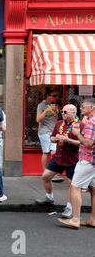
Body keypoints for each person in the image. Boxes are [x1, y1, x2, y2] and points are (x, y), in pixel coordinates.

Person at [35, 104, 85, 219]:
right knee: (46, 176)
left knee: (72, 185)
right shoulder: (59, 124)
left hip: (72, 159)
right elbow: (51, 137)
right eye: (62, 111)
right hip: (58, 157)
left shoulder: (80, 125)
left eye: (65, 112)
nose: (62, 113)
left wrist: (68, 140)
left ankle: (69, 207)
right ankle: (49, 197)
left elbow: (83, 143)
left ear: (73, 113)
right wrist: (56, 138)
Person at [58, 98, 95, 229]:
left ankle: (75, 219)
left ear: (91, 107)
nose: (81, 109)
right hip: (93, 161)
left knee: (74, 187)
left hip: (87, 159)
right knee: (93, 190)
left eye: (83, 106)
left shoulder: (91, 122)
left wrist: (77, 134)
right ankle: (92, 219)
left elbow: (88, 143)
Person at [36, 89, 61, 182]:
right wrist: (46, 110)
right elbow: (38, 119)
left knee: (54, 152)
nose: (56, 98)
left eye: (56, 96)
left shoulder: (57, 105)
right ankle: (45, 172)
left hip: (54, 132)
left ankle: (52, 172)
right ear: (48, 96)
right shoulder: (41, 105)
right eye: (54, 95)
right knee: (46, 152)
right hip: (45, 131)